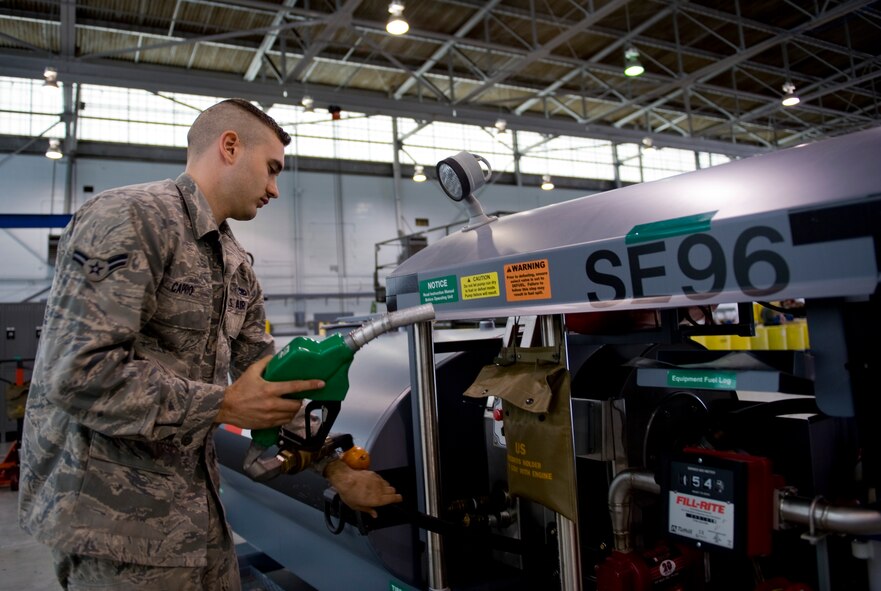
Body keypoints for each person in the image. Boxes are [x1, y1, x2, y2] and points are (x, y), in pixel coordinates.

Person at [18, 98, 402, 590]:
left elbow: (270, 381)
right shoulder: (130, 219)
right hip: (114, 529)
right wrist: (221, 403)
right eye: (271, 169)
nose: (275, 189)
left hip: (198, 517)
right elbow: (78, 374)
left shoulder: (236, 262)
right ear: (229, 146)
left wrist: (332, 466)